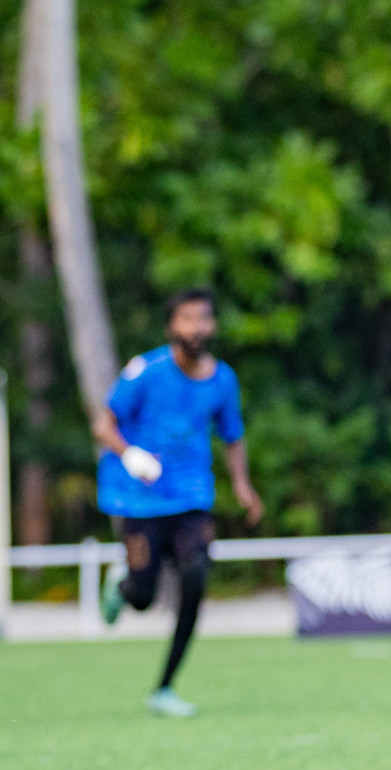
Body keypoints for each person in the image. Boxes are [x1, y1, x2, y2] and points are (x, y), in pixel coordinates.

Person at [93, 288, 263, 717]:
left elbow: (232, 435)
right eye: (186, 319)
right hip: (139, 500)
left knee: (195, 577)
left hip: (191, 496)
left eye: (203, 318)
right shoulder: (145, 371)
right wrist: (130, 454)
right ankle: (123, 584)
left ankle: (164, 687)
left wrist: (242, 485)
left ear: (213, 325)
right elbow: (104, 423)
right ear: (172, 326)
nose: (196, 327)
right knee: (143, 596)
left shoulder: (223, 379)